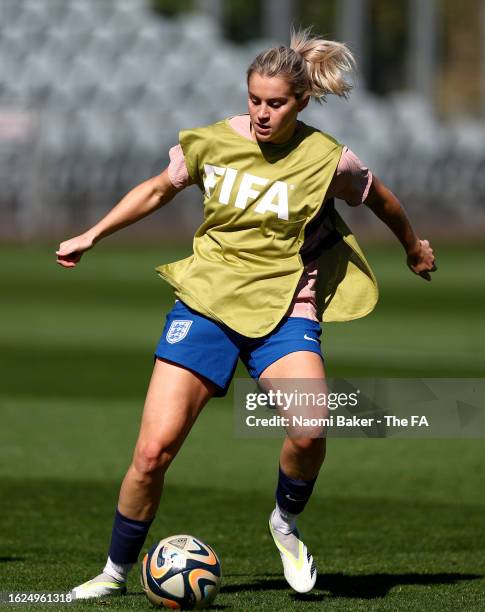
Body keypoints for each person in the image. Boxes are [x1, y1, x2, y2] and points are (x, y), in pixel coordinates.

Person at [56, 28, 436, 600]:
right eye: (254, 99)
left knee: (310, 431)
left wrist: (412, 245)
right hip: (207, 305)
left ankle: (284, 522)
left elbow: (381, 197)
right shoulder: (212, 141)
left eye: (276, 103)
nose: (261, 113)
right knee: (152, 452)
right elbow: (160, 189)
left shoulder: (327, 158)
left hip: (286, 308)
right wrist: (93, 233)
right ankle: (113, 572)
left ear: (301, 102)